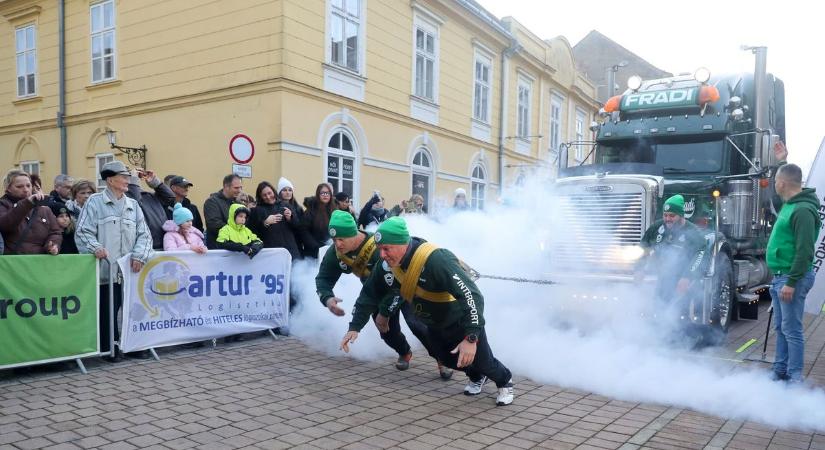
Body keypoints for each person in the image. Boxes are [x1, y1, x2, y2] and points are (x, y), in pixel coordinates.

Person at [341, 217, 514, 405]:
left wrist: (471, 337)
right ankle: (477, 376)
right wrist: (354, 326)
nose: (382, 255)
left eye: (386, 249)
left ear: (402, 244)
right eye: (379, 249)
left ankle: (505, 382)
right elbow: (369, 294)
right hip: (434, 323)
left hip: (461, 320)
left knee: (483, 361)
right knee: (446, 359)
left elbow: (471, 295)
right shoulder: (386, 266)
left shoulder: (436, 260)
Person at [317, 210, 452, 379]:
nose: (337, 244)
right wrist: (327, 298)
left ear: (353, 233)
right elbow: (323, 278)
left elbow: (397, 286)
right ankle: (404, 351)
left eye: (341, 239)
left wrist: (385, 312)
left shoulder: (379, 247)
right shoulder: (337, 253)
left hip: (406, 286)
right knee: (387, 332)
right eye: (334, 240)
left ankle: (443, 359)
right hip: (377, 292)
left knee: (419, 326)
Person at [75, 160, 152, 360]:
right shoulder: (94, 202)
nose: (127, 180)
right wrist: (95, 248)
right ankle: (109, 348)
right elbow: (82, 232)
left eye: (127, 176)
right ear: (110, 180)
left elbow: (145, 235)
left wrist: (139, 255)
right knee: (107, 311)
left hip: (130, 271)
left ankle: (134, 346)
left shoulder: (133, 205)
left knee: (133, 310)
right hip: (105, 271)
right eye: (123, 176)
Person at [767, 163, 819, 383]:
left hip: (791, 278)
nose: (774, 184)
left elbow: (804, 250)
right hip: (782, 276)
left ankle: (794, 378)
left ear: (783, 183)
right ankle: (780, 371)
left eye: (776, 180)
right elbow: (776, 197)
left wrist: (792, 282)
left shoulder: (803, 210)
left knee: (792, 330)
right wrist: (782, 162)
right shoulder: (789, 204)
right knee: (782, 328)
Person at [637, 194, 707, 306]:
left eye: (672, 215)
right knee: (658, 308)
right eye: (665, 215)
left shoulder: (694, 233)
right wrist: (639, 268)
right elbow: (643, 247)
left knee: (678, 310)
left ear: (681, 215)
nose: (667, 219)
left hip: (683, 279)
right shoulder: (657, 227)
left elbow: (700, 255)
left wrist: (687, 277)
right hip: (662, 278)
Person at [0, 170, 62, 255]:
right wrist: (26, 203)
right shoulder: (3, 204)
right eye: (19, 187)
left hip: (38, 260)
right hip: (12, 260)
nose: (25, 190)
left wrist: (53, 245)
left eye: (28, 186)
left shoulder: (44, 209)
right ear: (8, 188)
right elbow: (5, 225)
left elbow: (55, 232)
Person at [249, 181, 301, 261]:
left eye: (269, 193)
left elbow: (297, 226)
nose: (268, 197)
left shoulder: (286, 205)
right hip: (271, 252)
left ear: (274, 191)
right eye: (264, 195)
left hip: (290, 250)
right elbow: (251, 232)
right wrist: (265, 223)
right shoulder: (256, 210)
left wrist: (290, 218)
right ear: (260, 196)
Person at [126, 168, 176, 251]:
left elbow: (170, 198)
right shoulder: (126, 198)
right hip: (144, 248)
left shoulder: (149, 195)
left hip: (163, 244)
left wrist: (156, 183)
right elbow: (135, 202)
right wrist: (133, 182)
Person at [204, 174, 243, 249]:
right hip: (218, 249)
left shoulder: (238, 203)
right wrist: (237, 232)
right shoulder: (212, 202)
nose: (239, 191)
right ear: (226, 186)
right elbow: (214, 224)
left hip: (236, 248)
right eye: (236, 188)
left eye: (240, 187)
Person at [300, 183, 335, 258]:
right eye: (322, 193)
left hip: (331, 250)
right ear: (318, 195)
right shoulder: (311, 211)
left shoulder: (334, 210)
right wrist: (315, 246)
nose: (325, 195)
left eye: (327, 193)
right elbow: (303, 231)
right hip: (314, 252)